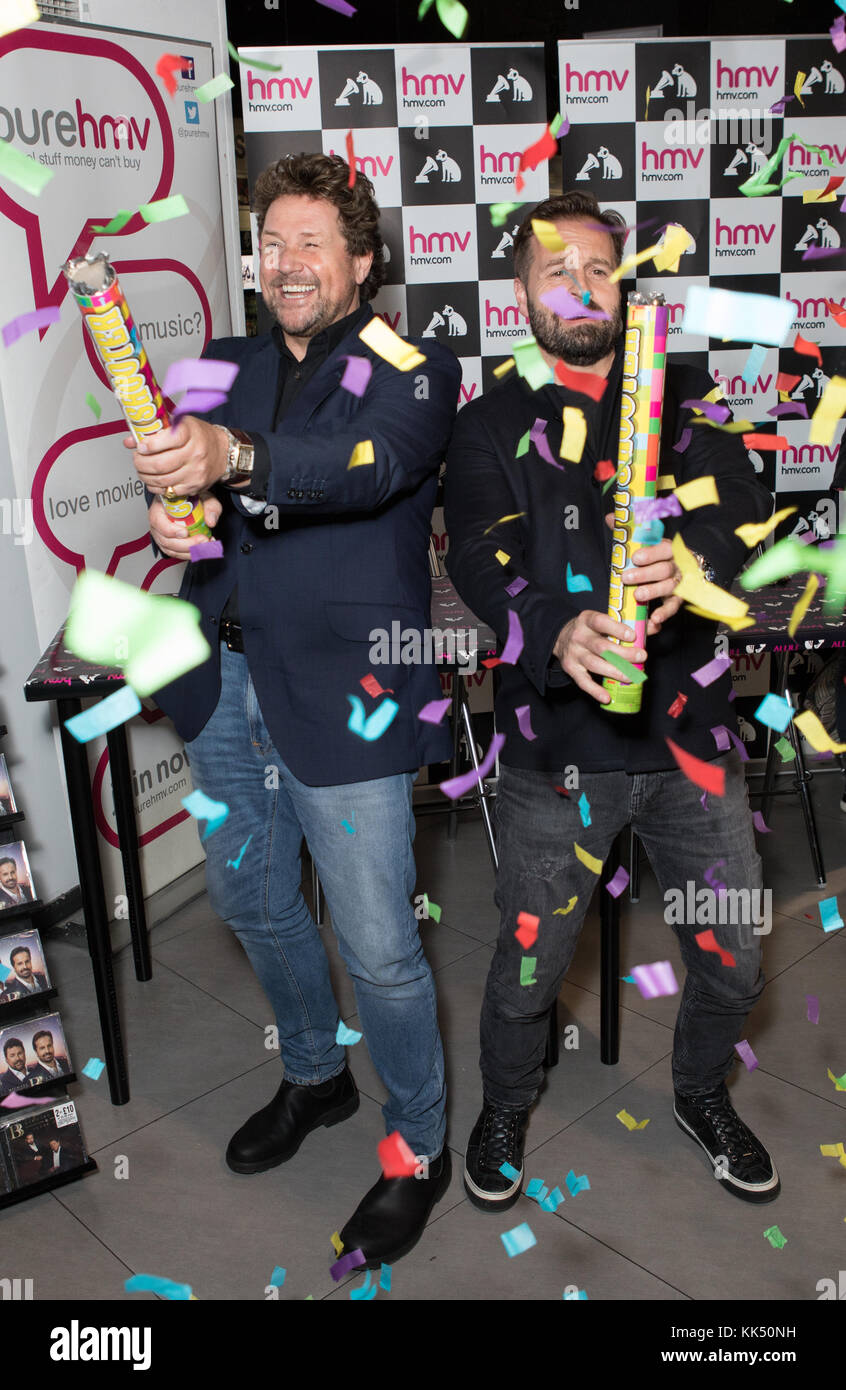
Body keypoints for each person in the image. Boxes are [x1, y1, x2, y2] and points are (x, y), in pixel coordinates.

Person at [130, 153, 460, 1268]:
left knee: (380, 947)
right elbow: (188, 481)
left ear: (363, 260)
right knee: (253, 898)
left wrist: (237, 455)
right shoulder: (226, 358)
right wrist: (176, 508)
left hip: (348, 696)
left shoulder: (412, 363)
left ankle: (419, 1143)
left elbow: (361, 464)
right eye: (272, 242)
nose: (286, 262)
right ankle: (315, 1074)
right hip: (223, 683)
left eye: (312, 241)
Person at [444, 191, 778, 1211]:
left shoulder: (686, 396)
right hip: (558, 752)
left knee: (734, 957)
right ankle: (506, 1103)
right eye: (558, 270)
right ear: (520, 292)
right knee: (529, 968)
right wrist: (551, 626)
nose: (582, 286)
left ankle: (697, 1091)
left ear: (622, 282)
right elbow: (479, 557)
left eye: (599, 268)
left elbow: (748, 516)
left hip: (692, 740)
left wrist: (698, 556)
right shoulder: (489, 420)